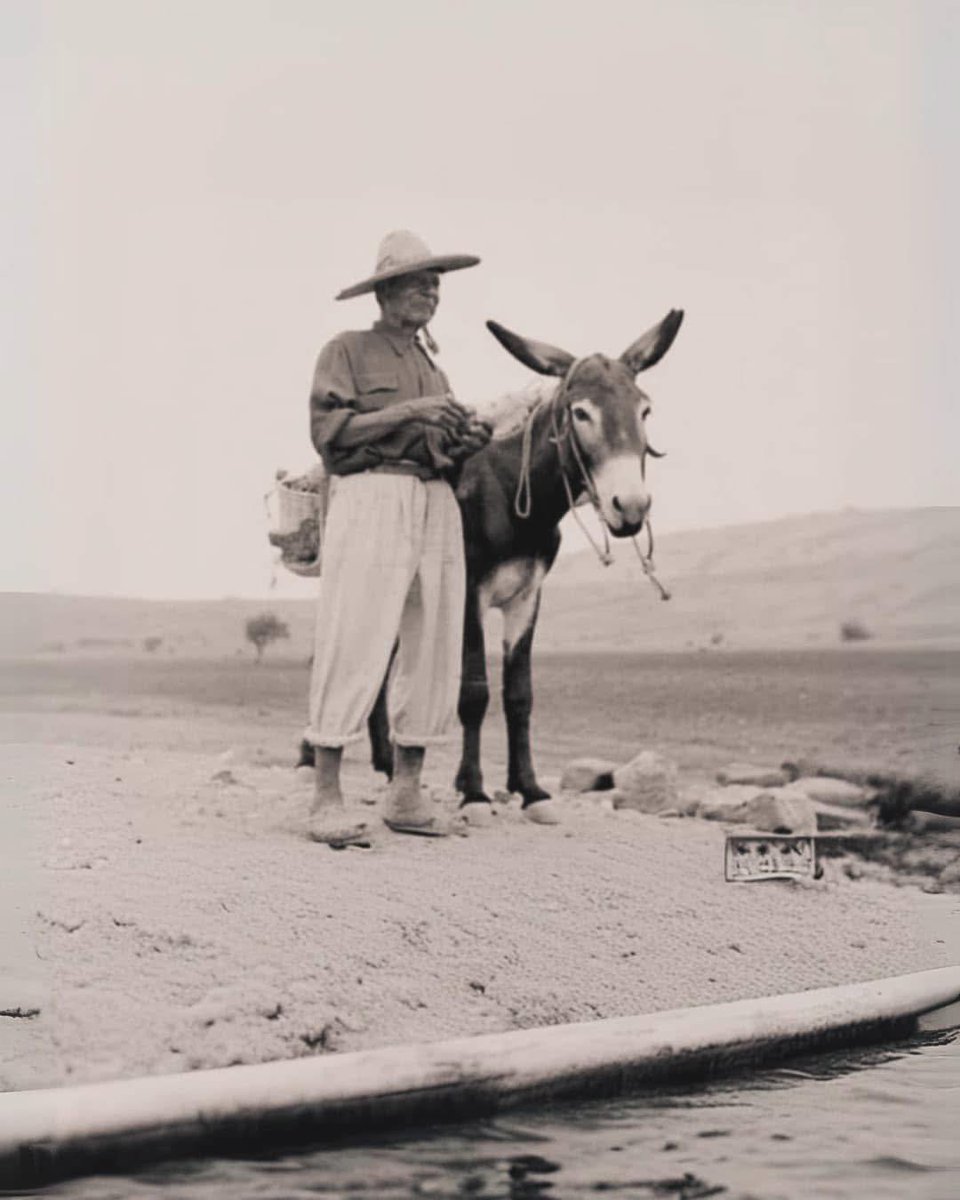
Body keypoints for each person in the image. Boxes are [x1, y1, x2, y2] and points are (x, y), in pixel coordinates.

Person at [303, 231, 490, 844]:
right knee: (355, 631)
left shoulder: (432, 367)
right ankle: (326, 796)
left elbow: (439, 448)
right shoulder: (347, 350)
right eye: (417, 280)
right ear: (384, 291)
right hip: (371, 495)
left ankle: (405, 791)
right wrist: (410, 414)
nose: (430, 290)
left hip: (433, 498)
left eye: (435, 281)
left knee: (434, 637)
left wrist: (461, 442)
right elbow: (330, 432)